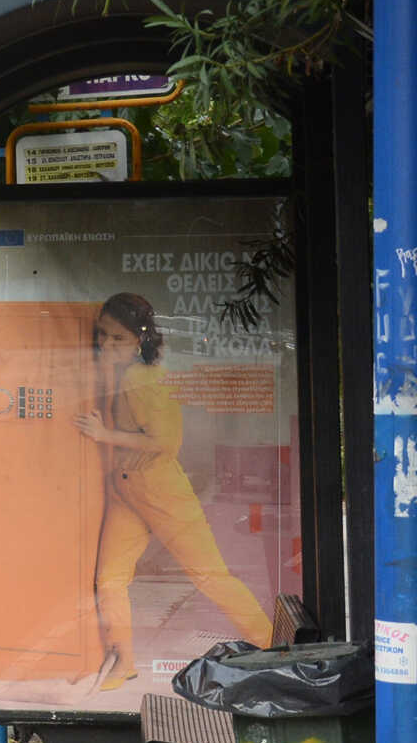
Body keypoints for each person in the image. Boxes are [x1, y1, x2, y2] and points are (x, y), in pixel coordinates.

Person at [70, 292, 275, 692]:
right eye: (103, 336)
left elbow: (167, 442)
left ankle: (270, 644)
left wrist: (103, 434)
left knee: (209, 575)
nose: (106, 345)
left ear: (139, 340)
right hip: (129, 489)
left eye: (118, 339)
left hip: (159, 487)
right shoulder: (125, 375)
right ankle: (124, 661)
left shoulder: (138, 377)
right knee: (111, 578)